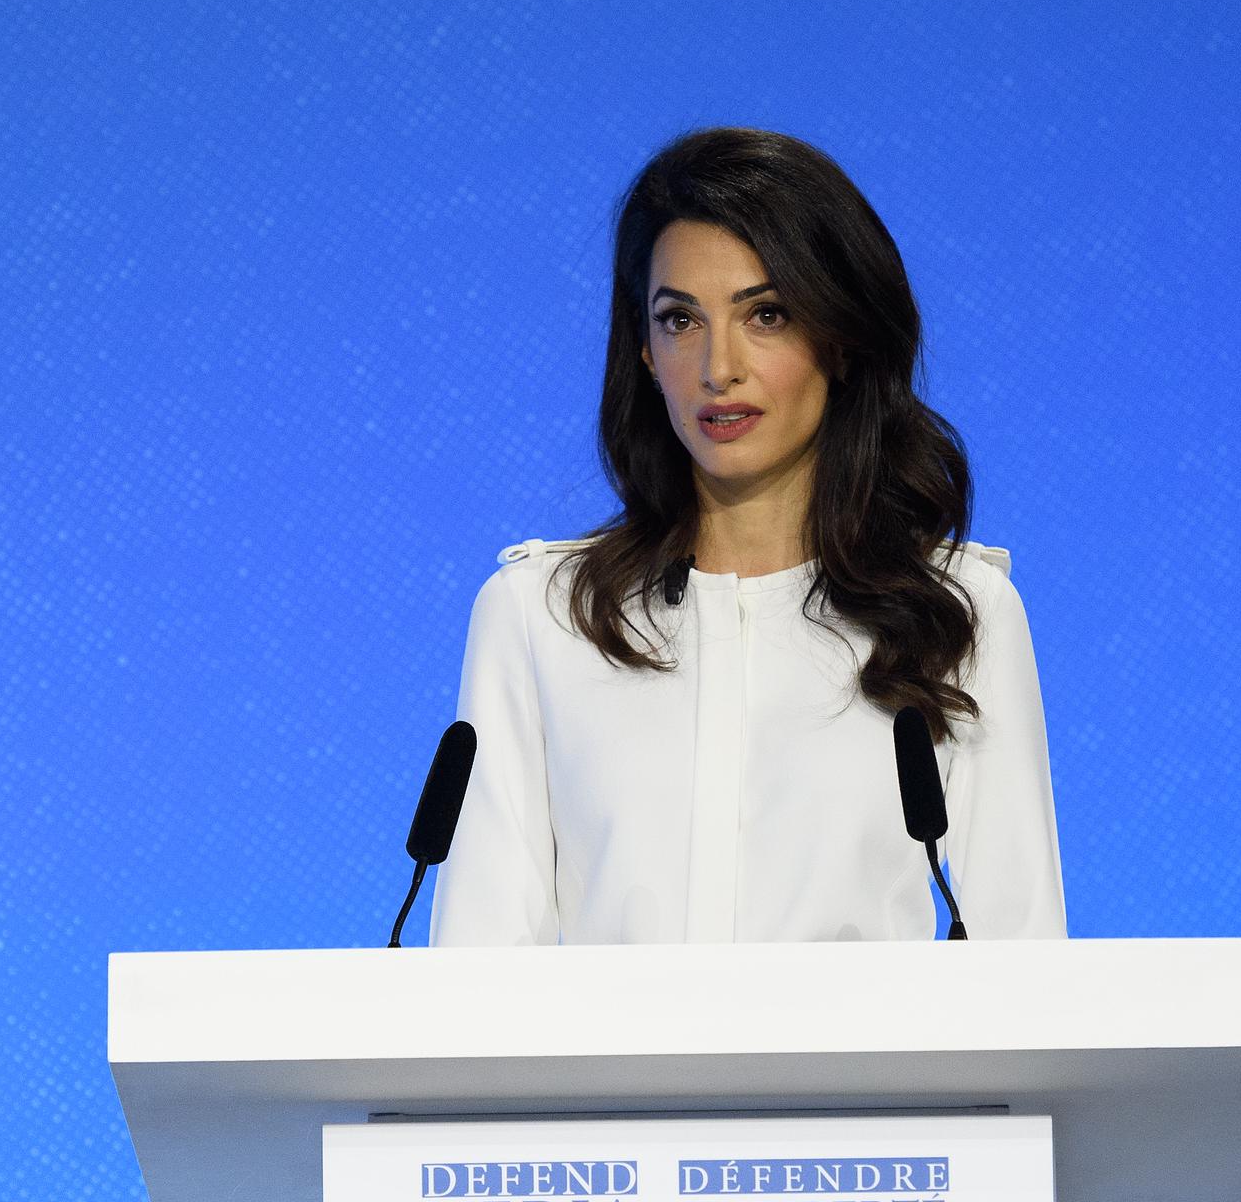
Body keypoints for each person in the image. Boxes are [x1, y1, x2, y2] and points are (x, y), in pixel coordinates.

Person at [430, 127, 1065, 945]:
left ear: (838, 337)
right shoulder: (542, 618)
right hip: (614, 1080)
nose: (717, 368)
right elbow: (480, 976)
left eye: (766, 314)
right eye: (679, 319)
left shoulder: (957, 614)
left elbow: (1026, 965)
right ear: (646, 352)